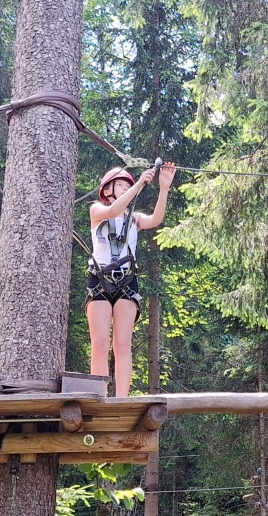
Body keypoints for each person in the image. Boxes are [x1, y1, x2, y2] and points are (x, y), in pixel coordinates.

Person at [86, 162, 175, 397]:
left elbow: (155, 219)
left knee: (123, 343)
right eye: (120, 184)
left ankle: (122, 398)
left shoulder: (134, 219)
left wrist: (163, 188)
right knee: (100, 343)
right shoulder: (97, 210)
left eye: (127, 184)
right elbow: (113, 211)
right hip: (99, 280)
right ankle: (99, 396)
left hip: (126, 282)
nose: (126, 187)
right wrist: (138, 184)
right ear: (107, 190)